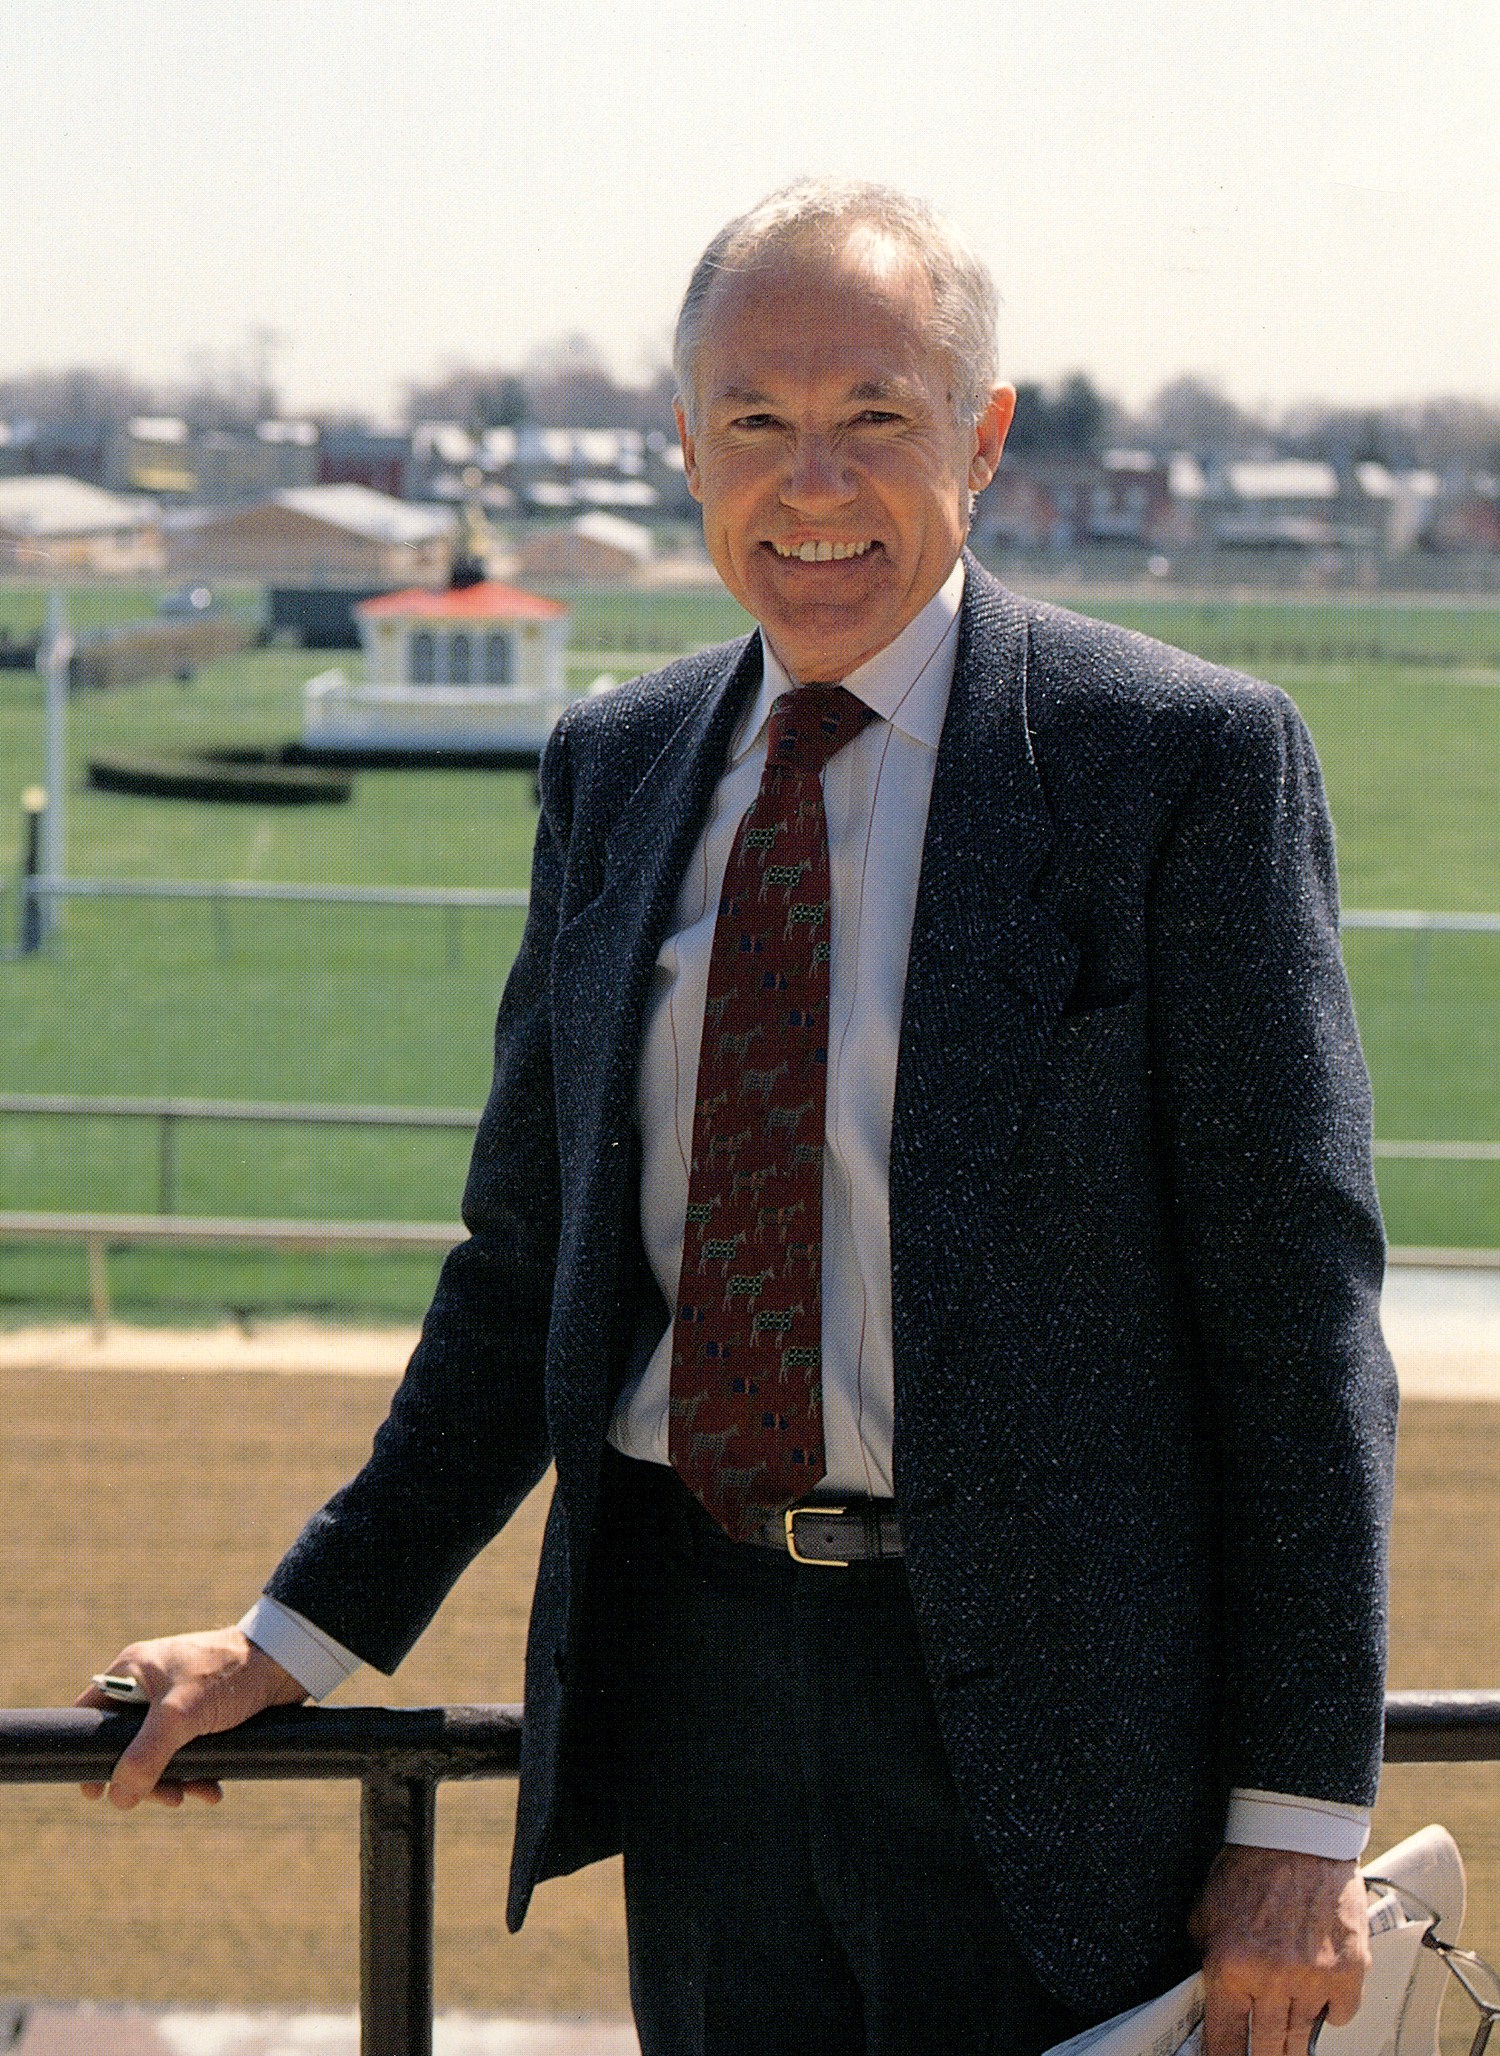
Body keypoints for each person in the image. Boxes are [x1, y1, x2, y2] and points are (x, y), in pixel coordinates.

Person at [84, 179, 1398, 2056]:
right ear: (683, 442)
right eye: (758, 425)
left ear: (988, 437)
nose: (815, 486)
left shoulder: (1180, 764)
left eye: (878, 418)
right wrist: (294, 1635)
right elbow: (525, 1268)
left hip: (1059, 1747)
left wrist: (1296, 1820)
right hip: (699, 1702)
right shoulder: (613, 769)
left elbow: (1299, 1321)